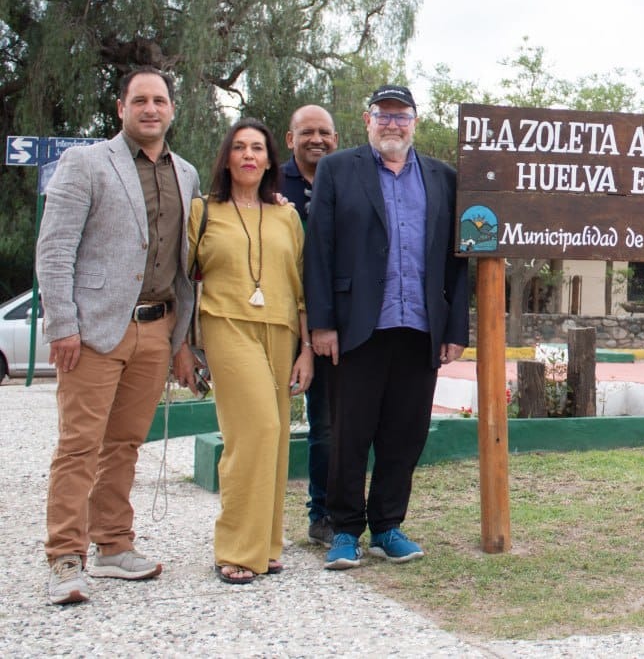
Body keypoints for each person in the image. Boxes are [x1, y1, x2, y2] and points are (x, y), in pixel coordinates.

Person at [36, 67, 201, 605]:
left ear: (172, 109)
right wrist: (63, 325)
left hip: (156, 331)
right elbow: (55, 248)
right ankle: (65, 557)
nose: (150, 109)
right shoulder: (85, 163)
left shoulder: (188, 175)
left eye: (160, 100)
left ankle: (111, 545)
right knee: (79, 446)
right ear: (121, 108)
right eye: (140, 100)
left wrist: (181, 338)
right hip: (94, 331)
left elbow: (184, 263)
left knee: (125, 444)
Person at [304, 84, 470, 570]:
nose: (393, 124)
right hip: (358, 327)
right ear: (367, 119)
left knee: (406, 432)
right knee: (348, 433)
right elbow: (319, 250)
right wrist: (322, 324)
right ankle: (344, 530)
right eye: (384, 115)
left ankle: (387, 527)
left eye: (402, 116)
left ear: (415, 121)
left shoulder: (443, 178)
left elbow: (457, 262)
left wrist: (456, 328)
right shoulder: (339, 169)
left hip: (421, 328)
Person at [191, 118, 312, 584]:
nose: (248, 155)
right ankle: (238, 548)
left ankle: (267, 544)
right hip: (225, 325)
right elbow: (186, 280)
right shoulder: (203, 210)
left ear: (268, 160)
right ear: (226, 158)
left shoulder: (287, 215)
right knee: (256, 428)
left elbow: (301, 289)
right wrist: (182, 346)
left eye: (257, 148)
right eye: (238, 147)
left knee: (278, 433)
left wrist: (306, 351)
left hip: (280, 330)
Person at [280, 104, 340, 547]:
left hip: (331, 325)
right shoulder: (267, 184)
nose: (316, 139)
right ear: (290, 139)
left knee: (328, 424)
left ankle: (322, 514)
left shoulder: (347, 178)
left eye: (324, 132)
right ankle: (257, 521)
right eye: (307, 132)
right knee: (266, 424)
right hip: (277, 321)